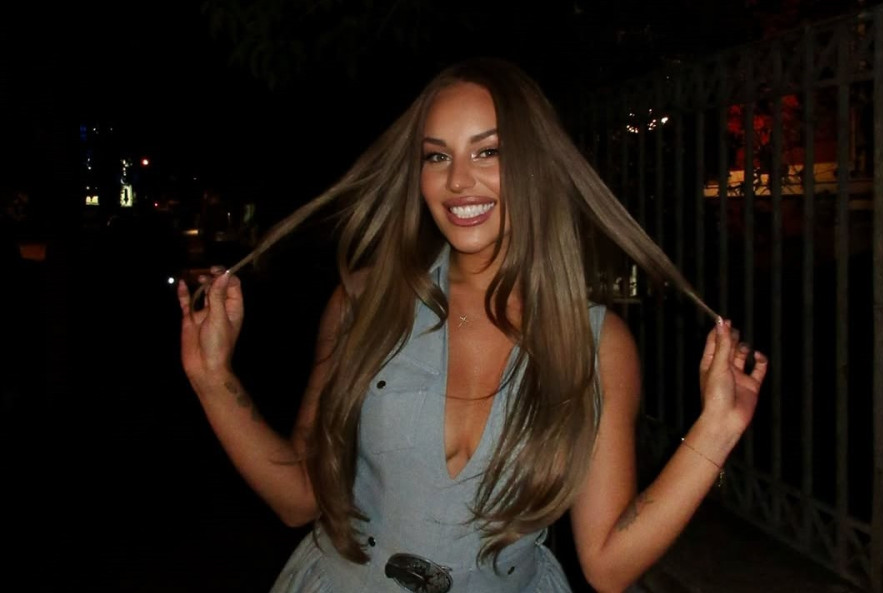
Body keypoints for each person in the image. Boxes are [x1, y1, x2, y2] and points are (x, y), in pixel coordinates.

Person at [176, 57, 768, 593]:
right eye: (437, 156)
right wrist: (212, 377)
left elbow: (608, 566)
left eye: (488, 152)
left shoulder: (595, 343)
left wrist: (718, 428)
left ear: (536, 165)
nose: (458, 180)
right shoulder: (366, 302)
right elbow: (299, 498)